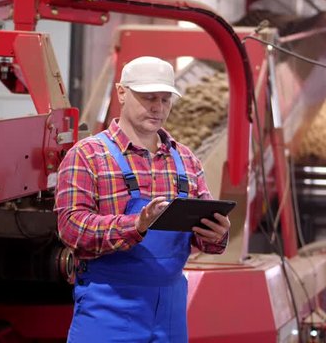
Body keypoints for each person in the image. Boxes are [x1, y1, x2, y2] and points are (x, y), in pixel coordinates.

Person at [55, 56, 231, 342]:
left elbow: (203, 239)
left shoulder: (186, 160)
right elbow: (71, 228)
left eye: (165, 99)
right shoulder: (88, 155)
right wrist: (135, 225)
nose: (157, 108)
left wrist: (217, 234)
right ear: (121, 92)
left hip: (171, 310)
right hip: (109, 305)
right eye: (148, 97)